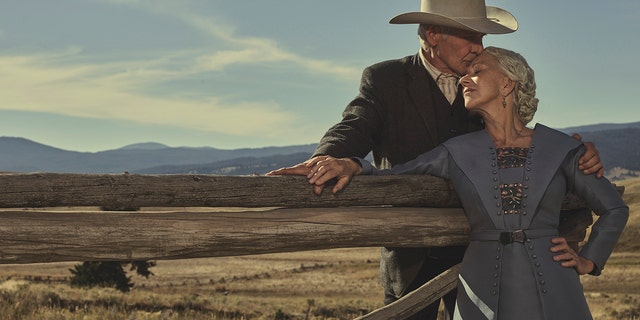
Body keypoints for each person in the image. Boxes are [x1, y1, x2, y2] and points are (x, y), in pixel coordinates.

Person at [268, 0, 603, 318]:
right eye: (470, 35)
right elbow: (355, 125)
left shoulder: (483, 81)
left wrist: (572, 151)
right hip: (411, 253)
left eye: (482, 37)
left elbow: (515, 133)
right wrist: (330, 158)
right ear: (433, 35)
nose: (479, 46)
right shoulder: (386, 80)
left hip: (484, 255)